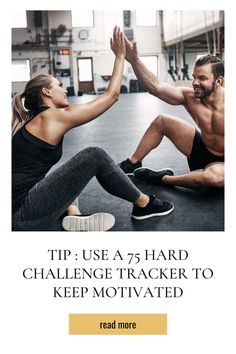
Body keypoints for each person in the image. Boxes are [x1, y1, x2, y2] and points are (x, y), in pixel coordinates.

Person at [12, 26, 174, 232]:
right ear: (46, 92)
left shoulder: (31, 119)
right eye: (58, 85)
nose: (64, 89)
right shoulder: (50, 117)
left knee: (65, 173)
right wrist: (120, 56)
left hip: (18, 207)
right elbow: (111, 96)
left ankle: (74, 216)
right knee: (94, 156)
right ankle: (144, 204)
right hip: (22, 215)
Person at [119, 37, 224, 190]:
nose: (195, 83)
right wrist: (134, 60)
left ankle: (162, 178)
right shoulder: (190, 97)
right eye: (194, 77)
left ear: (219, 81)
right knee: (162, 120)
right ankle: (132, 163)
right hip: (201, 150)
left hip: (224, 163)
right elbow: (156, 87)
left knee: (212, 178)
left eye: (202, 78)